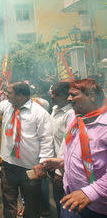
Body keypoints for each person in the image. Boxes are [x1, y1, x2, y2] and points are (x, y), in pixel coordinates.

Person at [0, 82, 54, 218]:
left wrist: (42, 164)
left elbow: (46, 140)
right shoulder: (7, 105)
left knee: (32, 206)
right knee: (9, 202)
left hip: (30, 167)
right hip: (8, 165)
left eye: (9, 92)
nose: (5, 95)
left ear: (20, 95)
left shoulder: (40, 113)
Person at [43, 79, 106, 218]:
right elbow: (77, 148)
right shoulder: (75, 116)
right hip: (70, 197)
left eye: (74, 95)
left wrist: (90, 192)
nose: (69, 98)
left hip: (97, 206)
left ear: (93, 96)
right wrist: (62, 161)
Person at [49, 81, 74, 218]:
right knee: (58, 199)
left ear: (67, 96)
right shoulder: (55, 109)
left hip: (64, 168)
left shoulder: (70, 114)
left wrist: (59, 171)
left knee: (65, 201)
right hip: (54, 164)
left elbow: (66, 144)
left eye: (56, 94)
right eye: (52, 93)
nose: (52, 96)